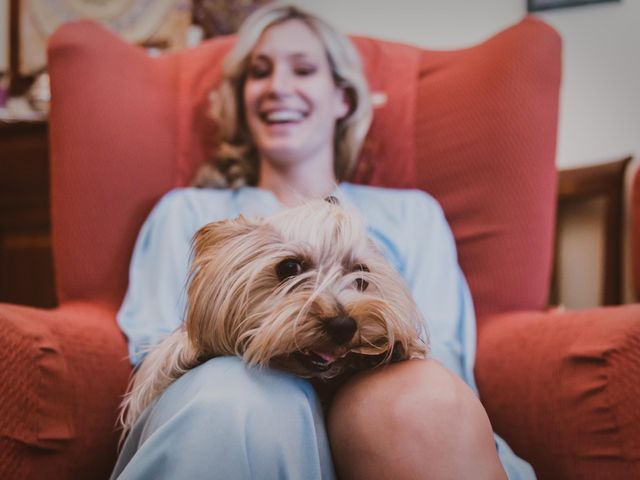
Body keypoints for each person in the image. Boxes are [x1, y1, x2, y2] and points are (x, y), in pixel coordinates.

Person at [112, 3, 535, 479]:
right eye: (259, 72)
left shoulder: (412, 214)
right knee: (234, 394)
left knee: (419, 404)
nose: (278, 87)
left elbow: (440, 356)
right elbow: (156, 354)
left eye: (305, 70)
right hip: (239, 418)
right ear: (241, 97)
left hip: (394, 427)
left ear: (343, 98)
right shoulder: (186, 212)